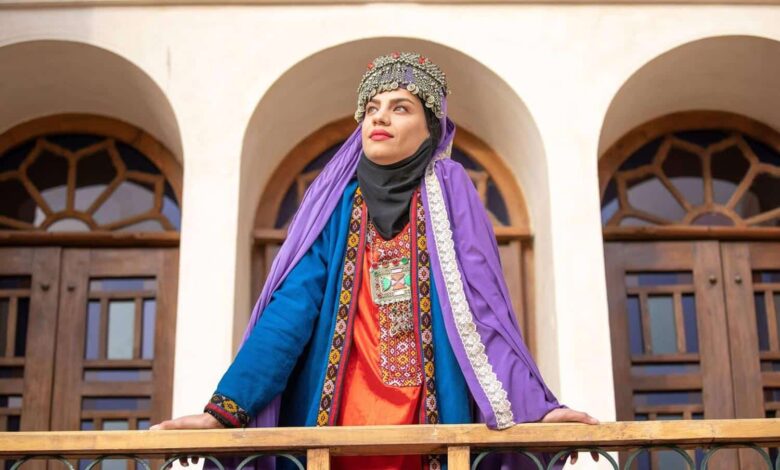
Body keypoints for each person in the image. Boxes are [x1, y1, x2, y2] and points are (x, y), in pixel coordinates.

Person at [152, 51, 598, 469]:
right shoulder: (338, 206)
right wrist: (225, 410)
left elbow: (483, 308)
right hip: (340, 433)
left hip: (433, 428)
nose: (380, 117)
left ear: (432, 128)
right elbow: (289, 312)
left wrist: (539, 409)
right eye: (371, 109)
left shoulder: (450, 190)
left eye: (401, 107)